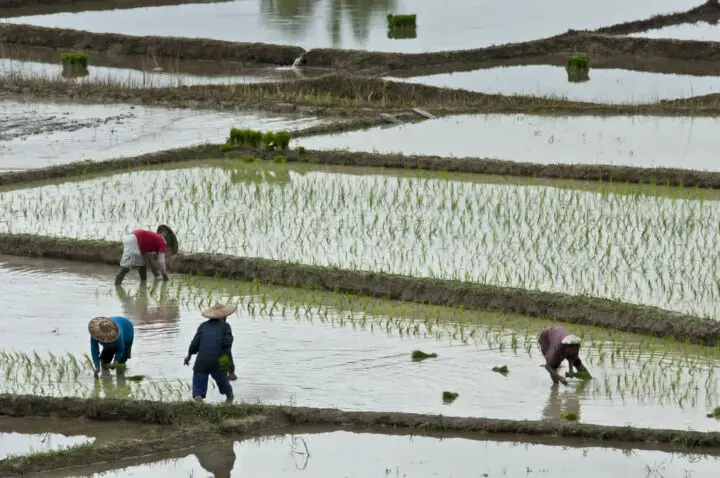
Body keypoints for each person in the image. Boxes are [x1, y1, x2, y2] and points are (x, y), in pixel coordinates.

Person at [184, 303, 236, 403]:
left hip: (201, 361)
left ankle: (198, 398)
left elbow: (195, 343)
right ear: (224, 316)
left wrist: (189, 356)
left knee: (198, 384)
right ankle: (229, 400)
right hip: (219, 361)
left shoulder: (203, 326)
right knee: (225, 384)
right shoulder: (226, 327)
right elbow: (226, 349)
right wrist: (231, 370)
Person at [114, 225, 179, 286]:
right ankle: (117, 285)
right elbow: (161, 261)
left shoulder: (152, 240)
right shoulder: (162, 242)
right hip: (134, 240)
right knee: (126, 267)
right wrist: (165, 276)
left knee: (142, 265)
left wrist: (156, 275)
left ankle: (143, 285)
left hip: (133, 238)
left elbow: (147, 257)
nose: (166, 250)